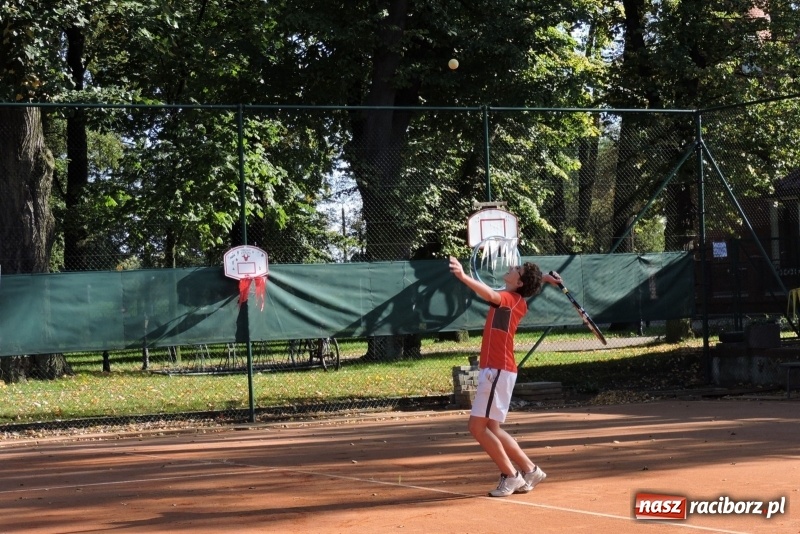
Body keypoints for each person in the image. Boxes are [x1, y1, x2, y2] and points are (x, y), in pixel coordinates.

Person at [449, 256, 561, 497]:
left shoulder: (509, 300)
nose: (512, 267)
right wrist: (542, 278)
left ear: (520, 282)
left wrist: (462, 276)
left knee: (477, 427)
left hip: (497, 370)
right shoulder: (516, 298)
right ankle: (531, 470)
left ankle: (511, 476)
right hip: (498, 370)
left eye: (517, 269)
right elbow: (517, 286)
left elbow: (491, 295)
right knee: (492, 428)